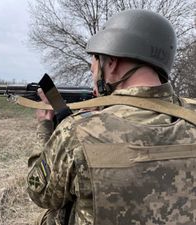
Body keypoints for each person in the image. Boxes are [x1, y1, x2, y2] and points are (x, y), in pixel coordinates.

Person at [27, 9, 196, 225]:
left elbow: (39, 191)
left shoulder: (79, 132)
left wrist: (45, 127)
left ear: (112, 61)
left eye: (95, 60)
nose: (92, 68)